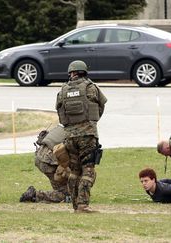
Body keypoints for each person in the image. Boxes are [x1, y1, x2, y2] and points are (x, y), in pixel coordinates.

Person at [55, 60, 107, 213]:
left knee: (74, 171)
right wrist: (90, 123)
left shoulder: (62, 90)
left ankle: (75, 204)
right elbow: (101, 106)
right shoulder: (91, 88)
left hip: (69, 137)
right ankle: (83, 205)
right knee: (88, 170)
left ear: (71, 73)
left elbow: (59, 111)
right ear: (84, 72)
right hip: (88, 135)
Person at [20, 125, 71, 203]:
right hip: (48, 161)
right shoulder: (77, 132)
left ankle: (34, 194)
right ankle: (35, 195)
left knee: (63, 187)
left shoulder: (63, 125)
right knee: (66, 194)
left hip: (40, 156)